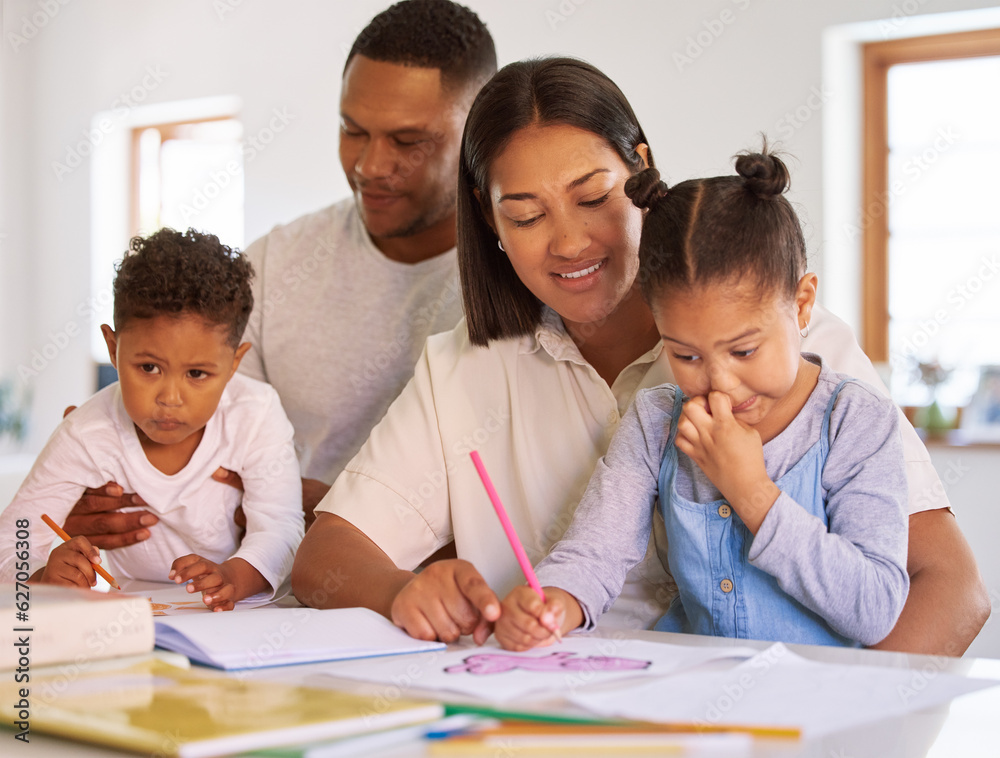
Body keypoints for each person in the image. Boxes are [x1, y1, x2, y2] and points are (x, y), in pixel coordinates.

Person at [293, 56, 988, 656]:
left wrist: (839, 728)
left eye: (593, 197)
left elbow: (953, 591)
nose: (567, 243)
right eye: (527, 216)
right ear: (486, 217)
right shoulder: (467, 368)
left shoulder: (800, 353)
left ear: (642, 172)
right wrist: (405, 591)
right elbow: (328, 555)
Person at [59, 0, 497, 543]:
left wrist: (343, 511)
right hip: (259, 597)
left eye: (408, 142)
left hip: (445, 605)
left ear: (479, 133)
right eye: (352, 130)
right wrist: (105, 477)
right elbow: (199, 457)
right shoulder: (274, 265)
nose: (369, 166)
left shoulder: (519, 275)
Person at [494, 150, 910, 651]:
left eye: (744, 350)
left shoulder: (854, 420)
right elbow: (595, 553)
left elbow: (875, 609)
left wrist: (752, 492)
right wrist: (556, 602)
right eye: (686, 355)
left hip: (812, 708)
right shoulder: (656, 421)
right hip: (690, 702)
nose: (721, 384)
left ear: (800, 306)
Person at [0, 229, 304, 610]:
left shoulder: (256, 413)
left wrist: (234, 577)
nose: (170, 398)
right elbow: (15, 537)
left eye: (197, 374)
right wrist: (43, 577)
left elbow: (282, 526)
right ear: (113, 349)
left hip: (241, 613)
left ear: (233, 364)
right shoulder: (87, 432)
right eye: (148, 367)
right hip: (133, 616)